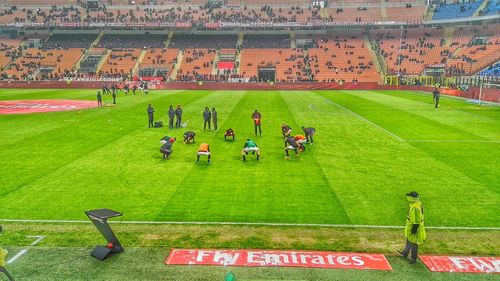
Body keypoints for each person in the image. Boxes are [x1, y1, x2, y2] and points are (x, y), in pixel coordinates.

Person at [398, 191, 426, 264]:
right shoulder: (415, 204)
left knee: (413, 243)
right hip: (412, 226)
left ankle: (414, 258)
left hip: (414, 227)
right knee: (409, 240)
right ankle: (405, 253)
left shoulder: (415, 207)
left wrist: (413, 230)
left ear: (412, 198)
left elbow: (416, 221)